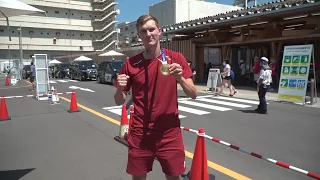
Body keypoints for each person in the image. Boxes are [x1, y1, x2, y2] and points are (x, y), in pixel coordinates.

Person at [113, 14, 197, 180]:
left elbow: (193, 94)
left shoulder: (176, 59)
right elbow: (119, 101)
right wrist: (119, 88)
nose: (148, 34)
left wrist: (179, 78)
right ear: (139, 36)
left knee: (173, 176)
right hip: (140, 133)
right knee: (138, 177)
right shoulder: (130, 64)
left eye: (152, 29)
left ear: (160, 31)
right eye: (143, 31)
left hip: (169, 132)